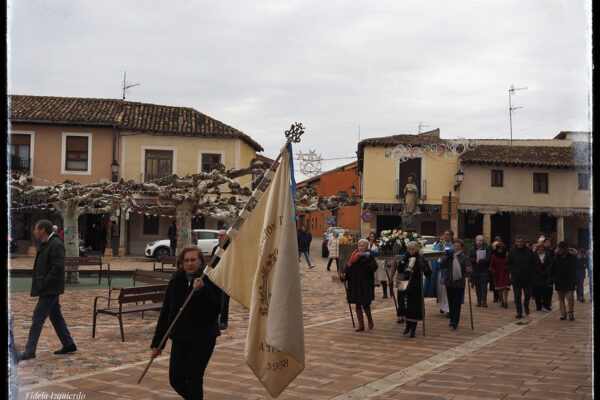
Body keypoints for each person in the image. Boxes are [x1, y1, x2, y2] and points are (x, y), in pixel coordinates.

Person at [151, 245, 224, 399]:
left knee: (194, 379)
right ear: (181, 263)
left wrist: (202, 291)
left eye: (193, 260)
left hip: (203, 337)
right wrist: (158, 344)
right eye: (186, 260)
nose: (189, 263)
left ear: (200, 261)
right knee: (175, 379)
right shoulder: (176, 280)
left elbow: (216, 309)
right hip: (180, 337)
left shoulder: (210, 278)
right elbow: (166, 314)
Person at [20, 219, 77, 361]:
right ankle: (69, 344)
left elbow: (57, 267)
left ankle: (30, 351)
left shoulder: (55, 244)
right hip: (48, 287)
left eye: (36, 229)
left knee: (37, 318)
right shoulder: (47, 243)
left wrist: (45, 283)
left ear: (43, 230)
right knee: (56, 316)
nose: (34, 232)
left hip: (50, 288)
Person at [341, 238, 378, 331]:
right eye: (359, 245)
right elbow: (348, 267)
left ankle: (370, 319)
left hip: (365, 284)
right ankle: (361, 325)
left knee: (365, 304)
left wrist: (367, 258)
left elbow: (373, 267)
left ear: (366, 247)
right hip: (355, 284)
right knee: (357, 304)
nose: (361, 248)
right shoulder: (354, 256)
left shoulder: (369, 256)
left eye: (363, 246)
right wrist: (344, 275)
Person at [397, 241, 432, 338]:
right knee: (405, 305)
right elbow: (399, 270)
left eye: (413, 249)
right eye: (410, 249)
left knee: (414, 307)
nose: (411, 251)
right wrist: (402, 262)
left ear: (416, 249)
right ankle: (407, 326)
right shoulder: (406, 258)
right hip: (405, 285)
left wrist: (424, 267)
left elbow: (428, 273)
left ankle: (413, 328)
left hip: (416, 286)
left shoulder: (420, 259)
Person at [439, 238, 472, 330]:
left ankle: (455, 321)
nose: (456, 247)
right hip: (449, 282)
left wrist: (469, 271)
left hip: (459, 283)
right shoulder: (449, 256)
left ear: (461, 248)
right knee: (451, 302)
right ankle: (452, 319)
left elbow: (469, 270)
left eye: (458, 246)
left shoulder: (465, 258)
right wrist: (446, 256)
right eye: (455, 246)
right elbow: (441, 265)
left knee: (457, 303)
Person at [505, 235, 536, 319]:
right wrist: (512, 271)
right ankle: (519, 311)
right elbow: (508, 263)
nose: (519, 243)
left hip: (527, 278)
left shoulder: (529, 251)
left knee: (528, 294)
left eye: (521, 242)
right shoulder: (512, 251)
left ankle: (526, 305)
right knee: (517, 296)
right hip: (516, 278)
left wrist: (530, 271)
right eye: (518, 242)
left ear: (524, 242)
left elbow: (533, 263)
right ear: (515, 242)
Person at [425, 229, 453, 317]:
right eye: (444, 234)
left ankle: (449, 309)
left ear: (451, 236)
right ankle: (443, 306)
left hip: (449, 272)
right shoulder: (438, 245)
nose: (445, 236)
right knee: (440, 290)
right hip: (439, 271)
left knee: (448, 291)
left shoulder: (454, 246)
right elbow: (432, 256)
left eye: (447, 234)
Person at [551, 241, 577, 321]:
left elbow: (575, 269)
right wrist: (551, 280)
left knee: (570, 298)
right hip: (559, 280)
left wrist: (575, 281)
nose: (560, 250)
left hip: (569, 281)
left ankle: (570, 312)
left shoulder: (572, 257)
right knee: (561, 298)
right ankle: (563, 313)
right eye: (559, 248)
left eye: (562, 248)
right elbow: (552, 270)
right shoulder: (555, 258)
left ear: (566, 248)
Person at [211, 229, 229, 329]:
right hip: (216, 277)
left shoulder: (231, 248)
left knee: (225, 301)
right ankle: (215, 319)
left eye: (222, 235)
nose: (219, 237)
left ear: (226, 236)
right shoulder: (215, 248)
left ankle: (223, 321)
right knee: (215, 299)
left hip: (226, 277)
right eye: (218, 235)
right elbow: (212, 262)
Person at [469, 235, 491, 308]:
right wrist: (475, 260)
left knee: (484, 286)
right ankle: (479, 301)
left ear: (483, 241)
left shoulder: (487, 248)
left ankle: (484, 301)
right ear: (476, 241)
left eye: (480, 240)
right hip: (476, 270)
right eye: (478, 240)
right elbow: (470, 259)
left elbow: (488, 259)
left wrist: (480, 260)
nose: (479, 242)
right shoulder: (473, 249)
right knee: (477, 287)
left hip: (484, 269)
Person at [531, 243, 553, 311]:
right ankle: (538, 306)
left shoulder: (548, 255)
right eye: (539, 248)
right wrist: (540, 272)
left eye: (542, 248)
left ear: (544, 248)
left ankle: (546, 305)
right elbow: (533, 265)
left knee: (545, 292)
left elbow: (550, 264)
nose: (540, 249)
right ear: (537, 249)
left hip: (545, 276)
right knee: (537, 293)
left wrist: (546, 272)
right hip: (537, 275)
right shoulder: (534, 255)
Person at [489, 242, 510, 308]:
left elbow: (509, 263)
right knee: (499, 289)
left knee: (505, 287)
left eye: (501, 249)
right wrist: (494, 272)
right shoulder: (494, 255)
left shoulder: (506, 255)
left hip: (504, 273)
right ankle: (502, 301)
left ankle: (506, 301)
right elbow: (491, 266)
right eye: (499, 248)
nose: (500, 250)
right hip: (497, 274)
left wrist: (508, 268)